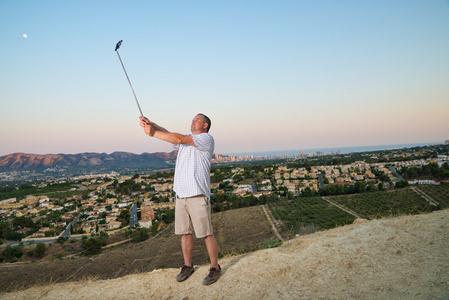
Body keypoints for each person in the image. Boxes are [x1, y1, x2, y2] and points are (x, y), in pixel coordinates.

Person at [139, 114, 221, 285]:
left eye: (197, 120)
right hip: (181, 194)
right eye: (192, 119)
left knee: (206, 233)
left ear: (205, 125)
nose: (193, 121)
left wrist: (152, 133)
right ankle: (187, 265)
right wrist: (151, 124)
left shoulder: (206, 139)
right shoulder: (186, 139)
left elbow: (177, 138)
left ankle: (214, 268)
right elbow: (169, 133)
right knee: (185, 233)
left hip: (197, 194)